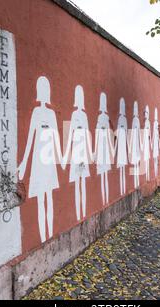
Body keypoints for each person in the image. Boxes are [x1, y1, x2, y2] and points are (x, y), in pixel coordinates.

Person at [17, 76, 64, 243]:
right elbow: (31, 137)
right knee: (40, 200)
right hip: (38, 160)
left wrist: (61, 157)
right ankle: (43, 239)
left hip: (49, 159)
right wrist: (24, 162)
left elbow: (56, 137)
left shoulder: (51, 114)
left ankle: (49, 234)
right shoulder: (36, 112)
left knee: (49, 197)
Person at [63, 85, 93, 221]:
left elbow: (87, 135)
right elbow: (69, 135)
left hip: (81, 154)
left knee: (82, 183)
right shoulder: (75, 114)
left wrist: (90, 152)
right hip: (76, 153)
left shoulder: (82, 115)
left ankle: (83, 213)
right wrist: (65, 156)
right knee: (78, 183)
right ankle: (79, 215)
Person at [94, 93, 114, 206]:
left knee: (104, 176)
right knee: (103, 176)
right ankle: (104, 202)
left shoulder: (105, 119)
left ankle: (105, 202)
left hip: (104, 151)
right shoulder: (102, 118)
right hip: (103, 151)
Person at [116, 98, 128, 196]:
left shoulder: (123, 119)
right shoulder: (121, 119)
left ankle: (123, 191)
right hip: (121, 148)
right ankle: (122, 192)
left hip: (123, 148)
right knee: (121, 169)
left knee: (123, 169)